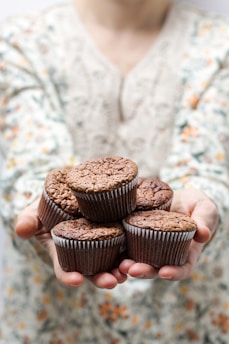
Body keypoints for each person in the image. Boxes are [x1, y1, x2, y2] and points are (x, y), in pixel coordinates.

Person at [0, 0, 229, 342]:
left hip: (186, 322)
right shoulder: (19, 43)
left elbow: (210, 165)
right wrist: (42, 207)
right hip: (54, 323)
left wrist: (204, 204)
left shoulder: (220, 48)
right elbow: (29, 168)